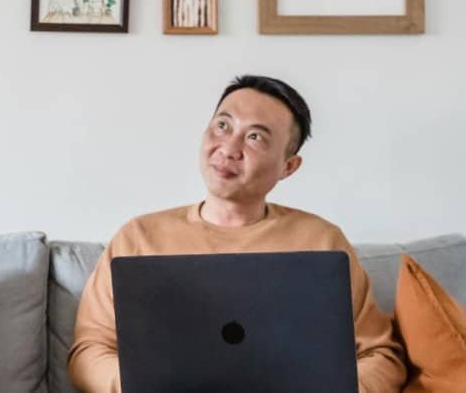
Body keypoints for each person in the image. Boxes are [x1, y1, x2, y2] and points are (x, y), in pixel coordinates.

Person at [68, 75, 406, 393]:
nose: (228, 148)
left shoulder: (322, 242)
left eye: (255, 137)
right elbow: (88, 351)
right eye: (222, 125)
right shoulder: (138, 237)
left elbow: (381, 356)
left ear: (289, 166)